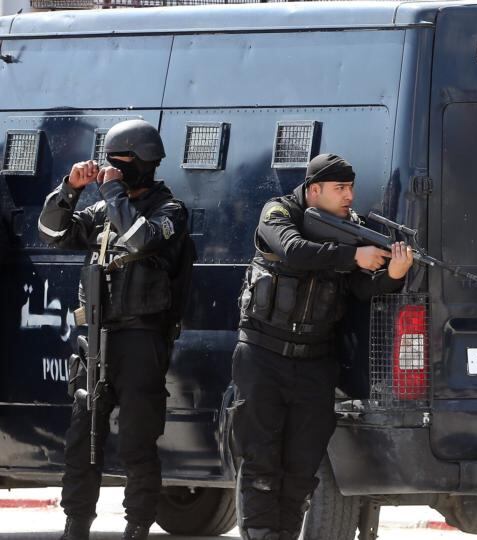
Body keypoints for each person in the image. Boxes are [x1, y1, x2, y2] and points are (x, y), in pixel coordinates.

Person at [231, 154, 413, 540]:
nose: (350, 197)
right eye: (340, 189)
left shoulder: (351, 228)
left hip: (314, 362)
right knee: (261, 463)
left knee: (301, 468)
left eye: (351, 188)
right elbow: (294, 250)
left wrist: (391, 277)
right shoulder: (279, 212)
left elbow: (359, 288)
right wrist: (353, 255)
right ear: (314, 191)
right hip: (263, 356)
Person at [37, 119, 189, 540]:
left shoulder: (169, 211)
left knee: (139, 443)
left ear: (144, 163)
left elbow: (140, 241)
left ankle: (137, 526)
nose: (113, 170)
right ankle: (76, 524)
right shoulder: (104, 208)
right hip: (96, 338)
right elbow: (51, 232)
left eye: (121, 163)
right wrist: (71, 188)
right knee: (80, 440)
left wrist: (112, 192)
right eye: (110, 164)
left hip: (141, 340)